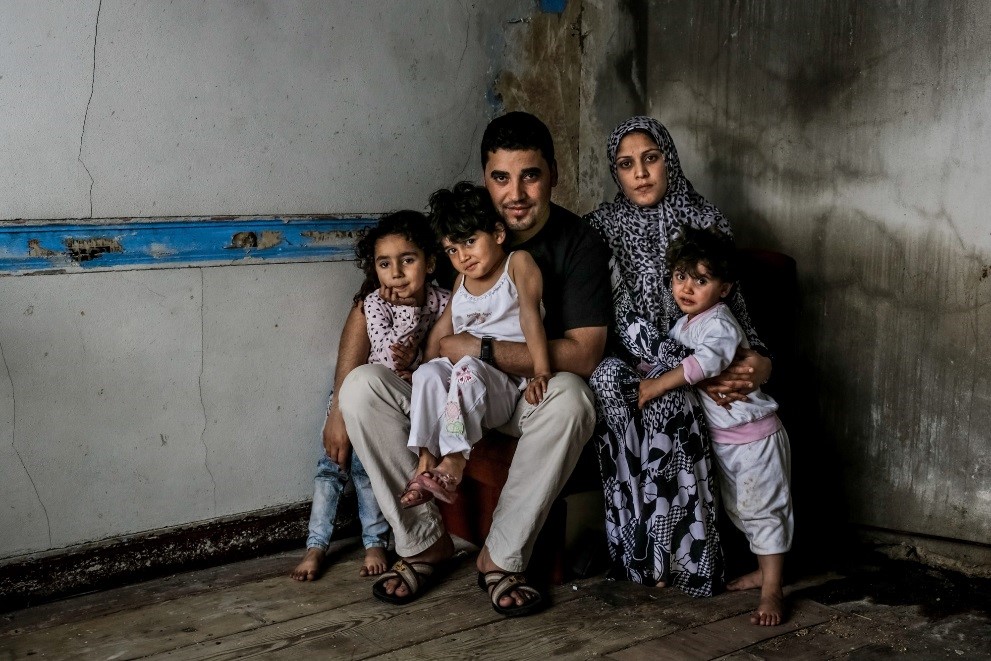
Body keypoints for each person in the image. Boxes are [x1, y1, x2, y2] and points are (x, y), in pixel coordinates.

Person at [334, 111, 610, 617]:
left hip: (522, 395)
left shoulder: (579, 244)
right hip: (452, 384)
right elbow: (373, 298)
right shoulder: (463, 226)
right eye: (501, 177)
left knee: (573, 399)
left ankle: (501, 559)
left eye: (531, 175)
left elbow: (586, 354)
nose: (516, 193)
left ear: (554, 174)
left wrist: (480, 349)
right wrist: (337, 402)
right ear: (486, 177)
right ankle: (421, 544)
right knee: (360, 388)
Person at [584, 116, 772, 598]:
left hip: (693, 356)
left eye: (651, 158)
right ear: (615, 173)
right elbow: (588, 298)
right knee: (608, 381)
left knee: (669, 402)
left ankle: (688, 561)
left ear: (669, 159)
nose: (640, 173)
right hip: (630, 355)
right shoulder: (602, 226)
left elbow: (738, 310)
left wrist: (760, 362)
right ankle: (634, 553)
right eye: (626, 165)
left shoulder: (706, 219)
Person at [639, 227, 793, 626]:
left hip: (755, 438)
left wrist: (656, 385)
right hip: (726, 441)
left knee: (764, 511)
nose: (687, 287)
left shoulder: (720, 323)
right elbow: (668, 355)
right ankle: (763, 570)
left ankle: (773, 588)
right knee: (740, 511)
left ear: (724, 289)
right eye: (680, 276)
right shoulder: (686, 323)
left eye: (701, 280)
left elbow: (702, 364)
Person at [291, 211, 450, 582]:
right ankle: (316, 545)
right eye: (384, 264)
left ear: (429, 262)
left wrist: (420, 353)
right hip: (361, 397)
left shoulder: (444, 301)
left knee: (365, 475)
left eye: (407, 260)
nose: (395, 273)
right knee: (331, 470)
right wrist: (337, 413)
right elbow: (391, 354)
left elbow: (439, 357)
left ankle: (375, 544)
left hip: (406, 400)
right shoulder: (375, 304)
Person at [400, 182, 551, 508]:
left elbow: (530, 318)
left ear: (498, 234)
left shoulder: (517, 264)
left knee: (467, 368)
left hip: (503, 383)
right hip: (463, 379)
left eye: (469, 242)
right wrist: (421, 366)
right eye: (452, 249)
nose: (462, 256)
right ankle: (426, 463)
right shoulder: (462, 281)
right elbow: (443, 329)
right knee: (428, 375)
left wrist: (541, 371)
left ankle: (454, 460)